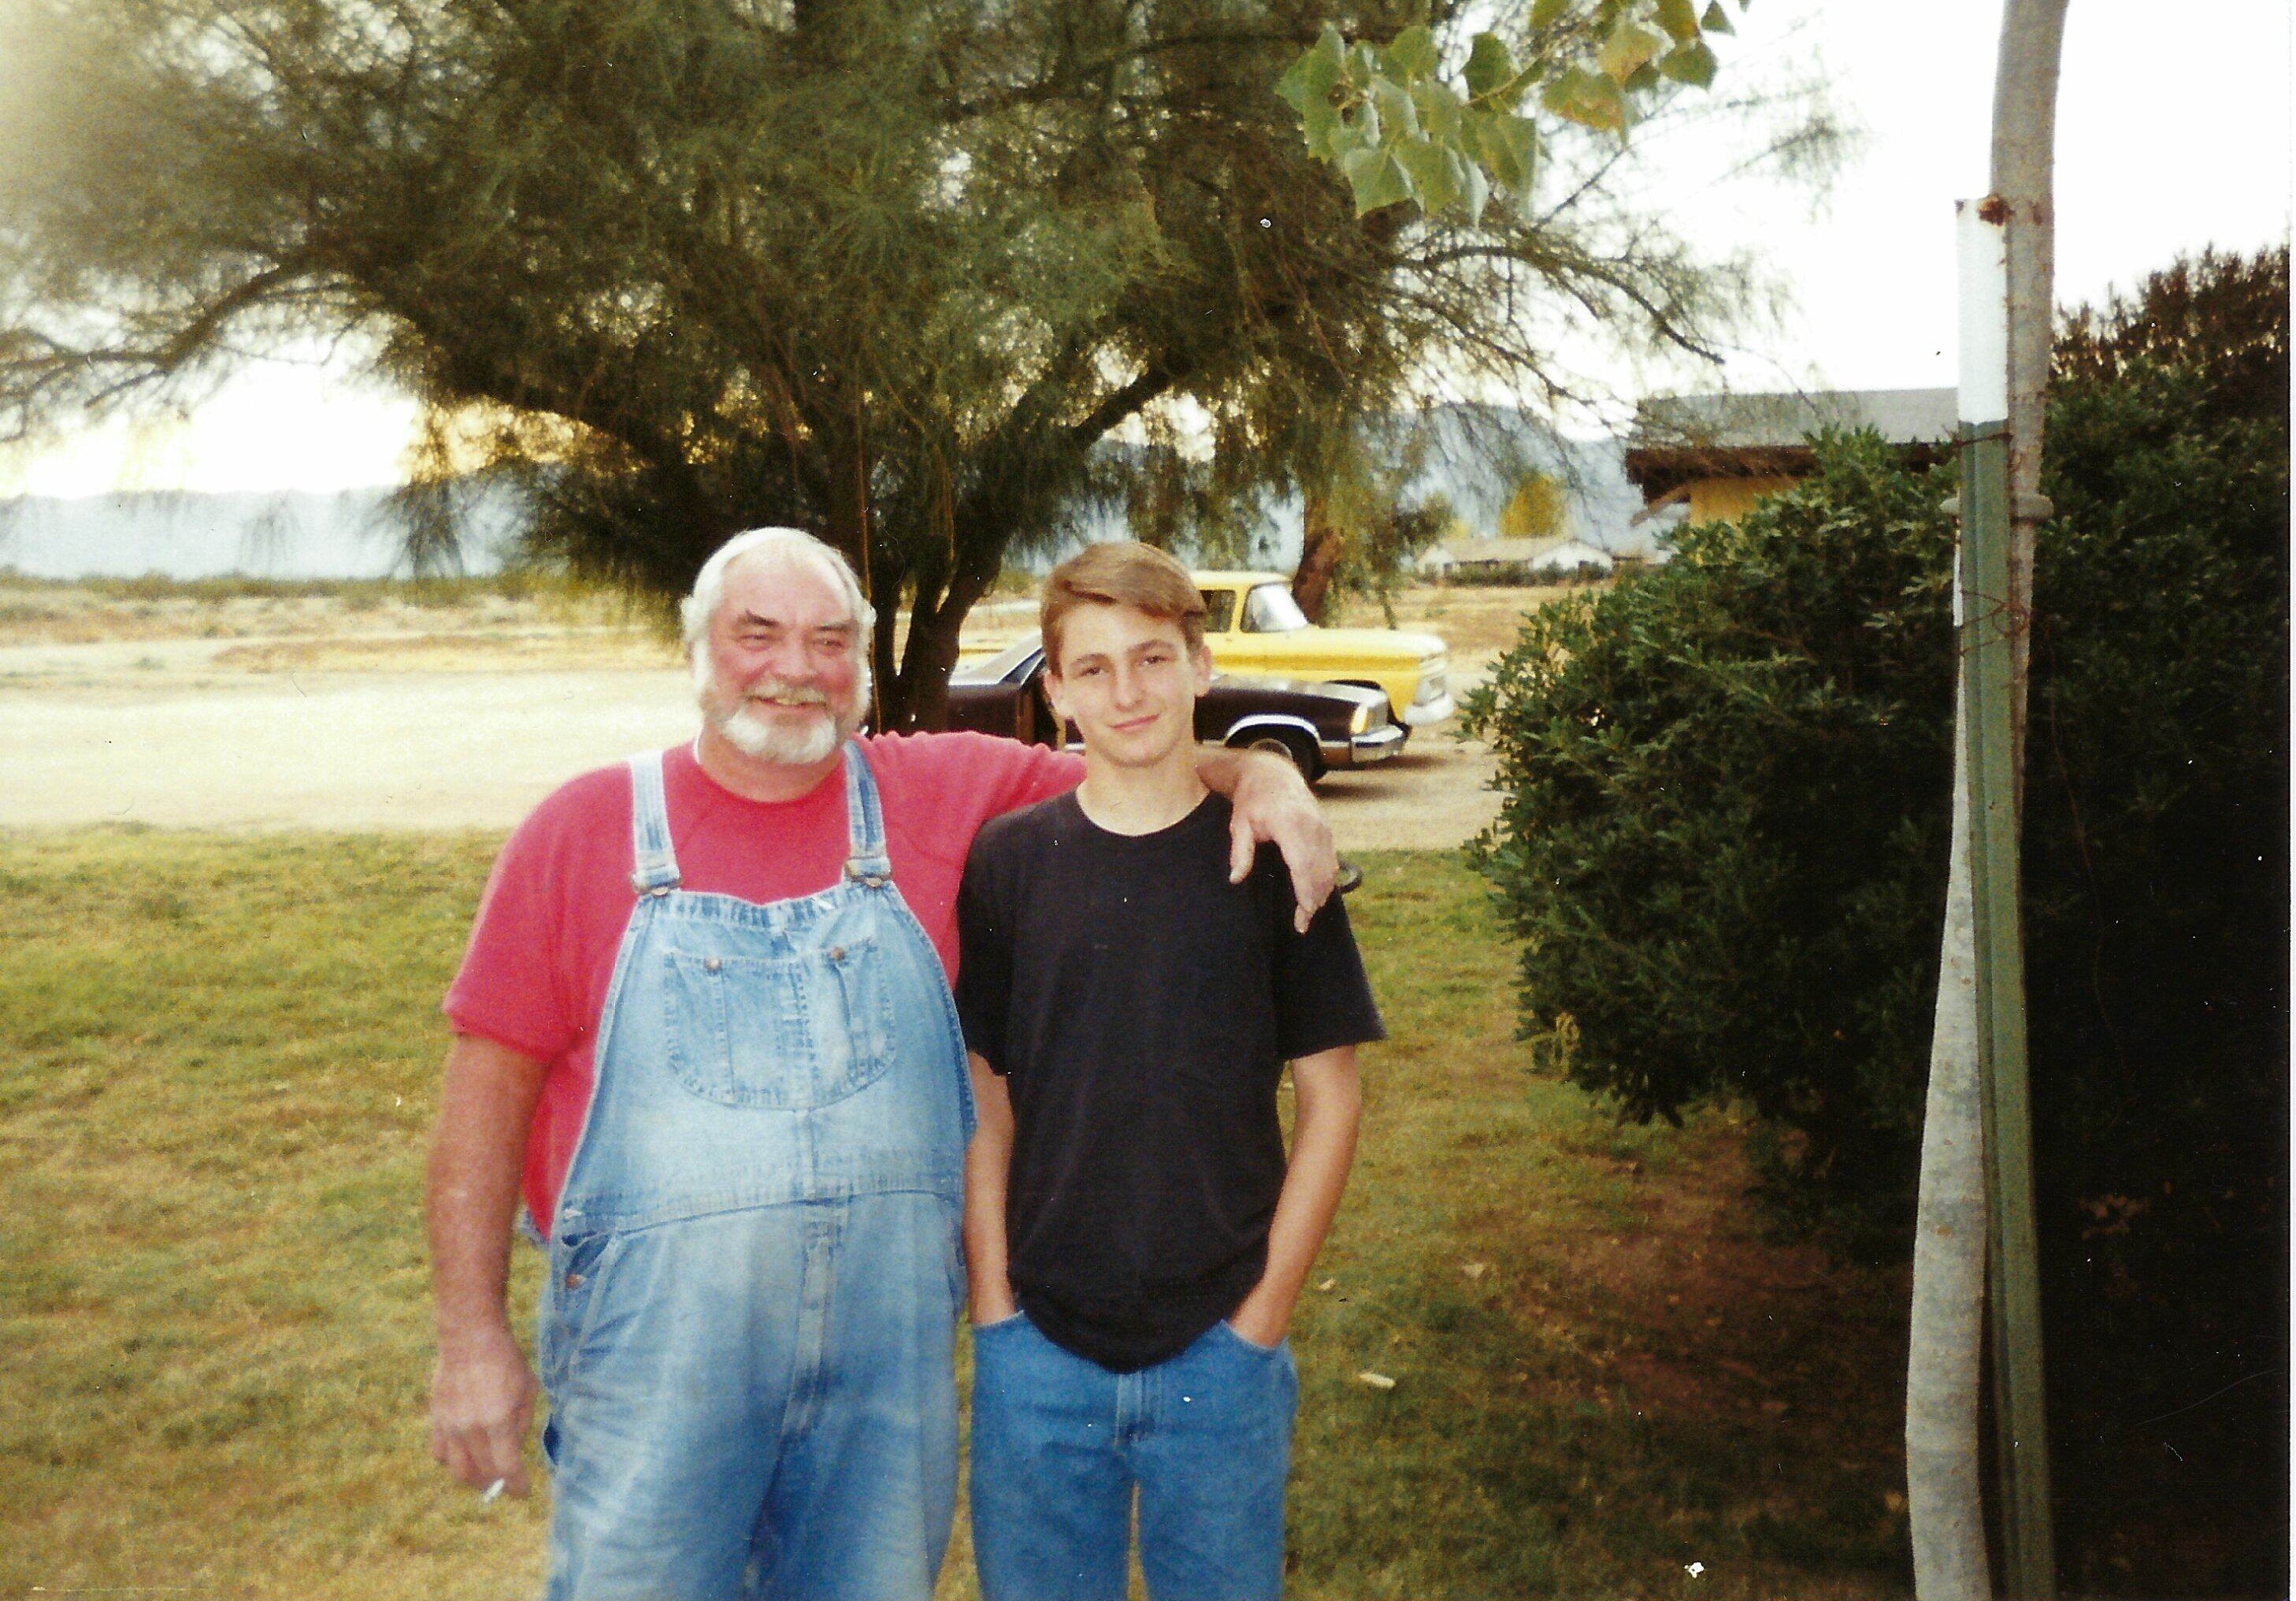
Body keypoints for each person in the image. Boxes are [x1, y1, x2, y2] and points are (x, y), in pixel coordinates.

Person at [424, 527, 1335, 1601]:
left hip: (880, 1385)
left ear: (861, 666)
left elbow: (1137, 756)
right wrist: (471, 1337)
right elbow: (483, 1105)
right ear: (696, 653)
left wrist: (1264, 770)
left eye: (830, 640)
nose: (796, 668)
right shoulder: (584, 831)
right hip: (659, 1377)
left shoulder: (941, 794)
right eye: (757, 635)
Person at [955, 543, 1379, 1601]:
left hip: (1219, 1352)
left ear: (1200, 665)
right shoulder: (1008, 861)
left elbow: (1331, 1100)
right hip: (1037, 1353)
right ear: (1053, 691)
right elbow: (987, 1100)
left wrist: (1261, 1320)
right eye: (1092, 668)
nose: (1127, 691)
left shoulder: (1272, 856)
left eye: (1151, 658)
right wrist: (996, 1309)